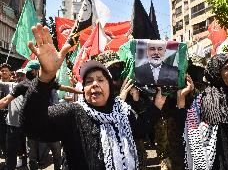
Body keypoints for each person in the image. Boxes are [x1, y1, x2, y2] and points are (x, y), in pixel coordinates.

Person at [21, 23, 163, 170]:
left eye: (101, 80)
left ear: (109, 85)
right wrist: (45, 78)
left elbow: (140, 129)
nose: (95, 84)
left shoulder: (123, 111)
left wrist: (156, 106)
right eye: (89, 81)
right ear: (83, 88)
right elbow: (32, 126)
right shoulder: (73, 113)